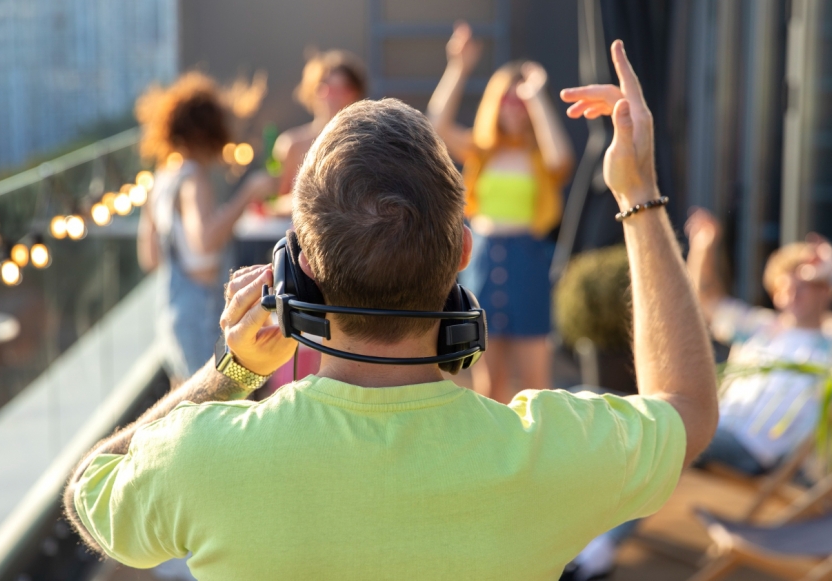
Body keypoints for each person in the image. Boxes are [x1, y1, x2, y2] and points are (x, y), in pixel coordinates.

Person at [64, 41, 718, 580]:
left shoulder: (205, 454)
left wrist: (228, 373)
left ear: (301, 271)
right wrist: (639, 194)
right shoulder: (547, 448)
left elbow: (87, 489)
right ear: (462, 251)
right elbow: (688, 407)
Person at [684, 207, 832, 475]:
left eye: (803, 286)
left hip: (759, 455)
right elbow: (704, 302)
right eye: (785, 287)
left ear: (825, 289)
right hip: (718, 431)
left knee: (663, 435)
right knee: (646, 427)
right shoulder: (758, 327)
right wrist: (704, 245)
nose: (793, 295)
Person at [428, 22, 574, 402]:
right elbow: (436, 125)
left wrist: (537, 96)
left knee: (535, 384)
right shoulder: (482, 149)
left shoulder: (540, 154)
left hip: (527, 256)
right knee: (488, 385)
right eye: (507, 98)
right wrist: (458, 67)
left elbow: (562, 159)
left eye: (520, 99)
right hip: (484, 256)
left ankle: (535, 459)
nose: (514, 106)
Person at [136, 72, 275, 382]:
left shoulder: (162, 178)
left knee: (185, 404)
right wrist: (248, 193)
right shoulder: (194, 178)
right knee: (217, 402)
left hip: (170, 308)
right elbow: (206, 241)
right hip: (202, 308)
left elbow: (150, 257)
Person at [273, 49, 367, 198]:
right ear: (313, 90)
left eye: (342, 89)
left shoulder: (366, 143)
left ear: (355, 95)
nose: (333, 97)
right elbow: (275, 200)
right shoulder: (292, 144)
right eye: (327, 88)